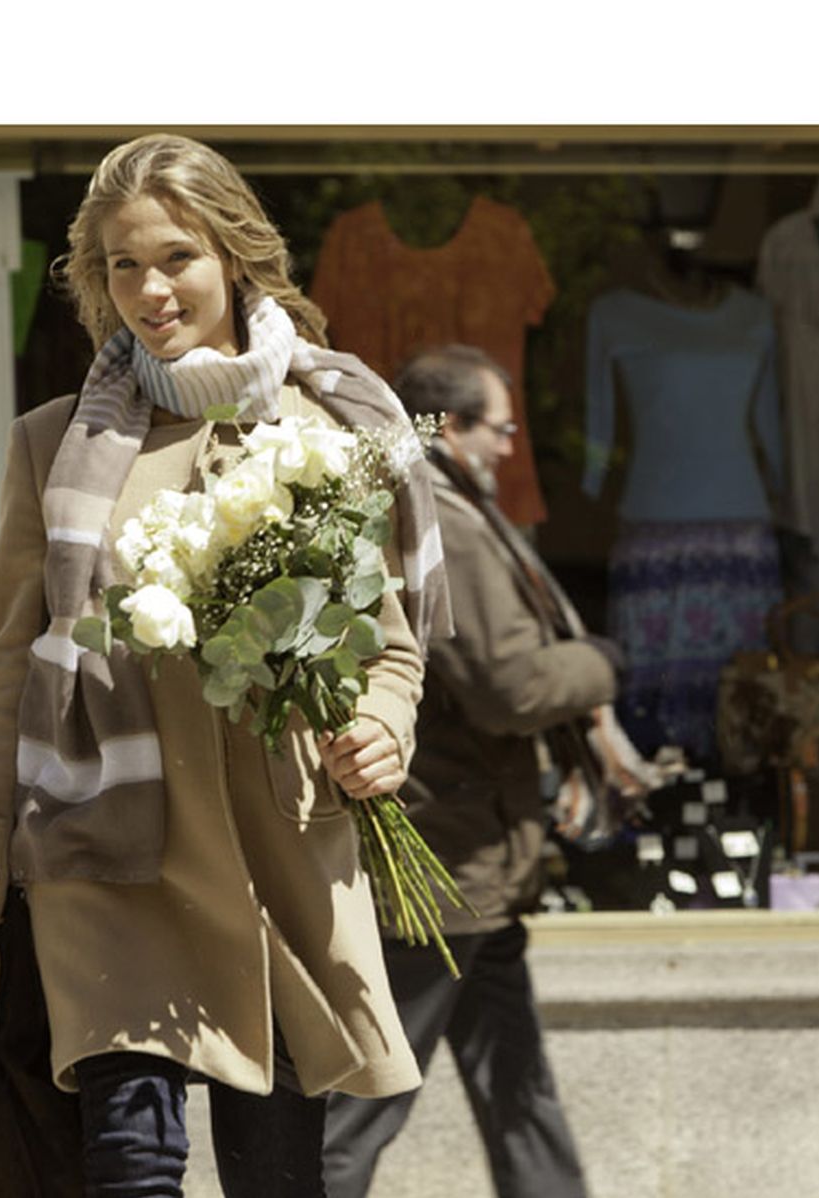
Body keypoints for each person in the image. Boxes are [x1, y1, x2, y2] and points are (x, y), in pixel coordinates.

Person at [0, 133, 452, 1198]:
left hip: (283, 856)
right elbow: (13, 684)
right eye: (123, 265)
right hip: (110, 858)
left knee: (277, 1174)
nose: (150, 288)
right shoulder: (52, 444)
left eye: (176, 257)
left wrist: (384, 726)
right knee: (129, 1163)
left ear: (236, 255)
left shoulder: (335, 423)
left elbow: (390, 641)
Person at [323, 345, 623, 1198]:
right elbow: (511, 686)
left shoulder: (431, 503)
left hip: (475, 861)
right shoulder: (446, 519)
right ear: (450, 427)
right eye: (500, 427)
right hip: (444, 868)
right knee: (360, 1114)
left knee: (521, 1094)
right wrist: (600, 662)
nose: (508, 446)